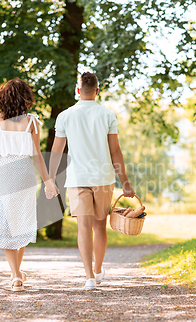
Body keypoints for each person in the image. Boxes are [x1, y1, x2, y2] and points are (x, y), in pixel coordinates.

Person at [0, 78, 58, 292]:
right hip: (25, 173)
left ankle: (15, 276)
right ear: (26, 99)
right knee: (21, 221)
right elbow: (37, 156)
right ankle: (17, 273)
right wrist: (48, 182)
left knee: (7, 224)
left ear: (3, 98)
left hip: (3, 173)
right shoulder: (33, 122)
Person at [47, 72, 135, 290]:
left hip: (77, 179)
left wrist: (50, 178)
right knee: (100, 226)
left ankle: (89, 278)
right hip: (103, 178)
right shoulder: (108, 115)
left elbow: (57, 151)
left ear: (78, 90)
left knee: (83, 227)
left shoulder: (65, 116)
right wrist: (125, 182)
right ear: (97, 90)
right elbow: (115, 151)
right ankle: (98, 270)